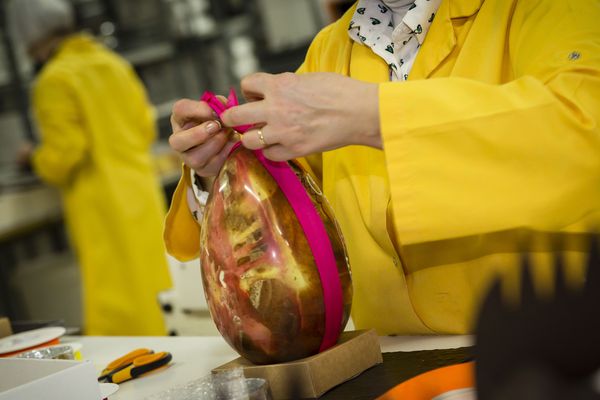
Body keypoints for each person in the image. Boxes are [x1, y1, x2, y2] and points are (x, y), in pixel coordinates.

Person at [165, 0, 600, 335]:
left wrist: (371, 114)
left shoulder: (550, 9)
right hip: (394, 362)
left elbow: (584, 131)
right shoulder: (331, 48)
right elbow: (297, 206)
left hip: (557, 351)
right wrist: (225, 170)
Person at [10, 0, 172, 335]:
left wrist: (33, 158)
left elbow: (65, 155)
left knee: (121, 301)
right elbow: (144, 127)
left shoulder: (53, 81)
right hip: (142, 191)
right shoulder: (112, 63)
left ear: (32, 41)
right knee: (161, 287)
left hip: (103, 207)